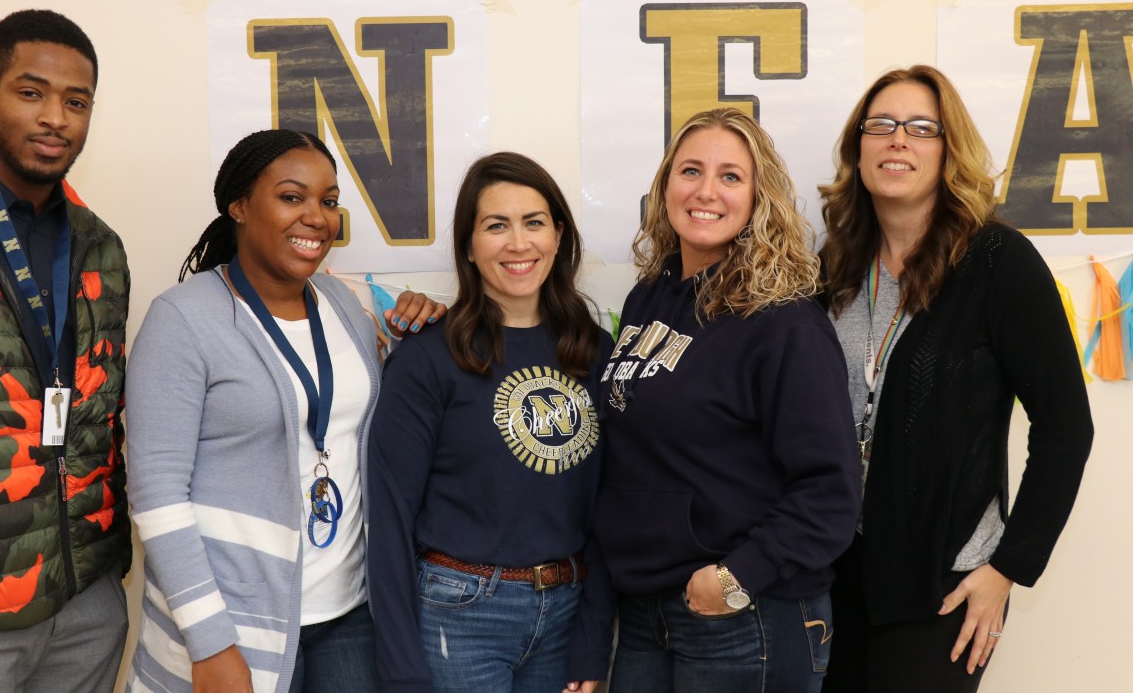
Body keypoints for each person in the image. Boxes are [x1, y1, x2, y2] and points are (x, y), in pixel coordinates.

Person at [124, 129, 445, 693]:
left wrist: (419, 326)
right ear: (240, 206)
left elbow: (377, 412)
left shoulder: (346, 303)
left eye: (328, 200)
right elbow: (156, 495)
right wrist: (210, 640)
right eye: (292, 197)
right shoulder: (183, 318)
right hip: (235, 623)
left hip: (348, 612)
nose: (316, 217)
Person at [818, 65, 1094, 692]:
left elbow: (1065, 427)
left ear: (949, 151)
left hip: (941, 581)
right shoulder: (833, 268)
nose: (898, 141)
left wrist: (1007, 570)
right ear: (857, 148)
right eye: (881, 126)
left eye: (922, 129)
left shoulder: (998, 262)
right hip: (832, 578)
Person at [595, 107, 860, 693]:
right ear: (666, 186)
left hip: (749, 614)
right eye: (690, 170)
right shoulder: (649, 298)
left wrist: (738, 577)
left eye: (730, 176)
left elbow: (831, 490)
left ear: (758, 196)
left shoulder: (785, 322)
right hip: (646, 610)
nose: (706, 190)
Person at [0, 10, 130, 692]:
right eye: (31, 92)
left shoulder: (100, 244)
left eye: (76, 102)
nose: (56, 118)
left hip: (85, 603)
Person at [366, 152, 615, 693]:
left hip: (566, 615)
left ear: (559, 236)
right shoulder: (426, 359)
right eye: (495, 225)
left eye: (534, 222)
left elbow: (610, 510)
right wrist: (402, 670)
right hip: (458, 617)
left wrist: (592, 641)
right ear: (469, 247)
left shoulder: (597, 353)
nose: (518, 243)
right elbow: (388, 520)